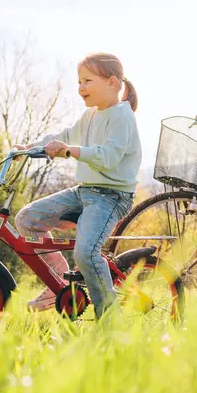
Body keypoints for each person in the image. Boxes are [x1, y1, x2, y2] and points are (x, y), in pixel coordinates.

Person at [14, 53, 143, 318]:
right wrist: (30, 148)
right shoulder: (90, 115)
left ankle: (110, 319)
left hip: (111, 197)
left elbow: (108, 157)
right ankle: (58, 282)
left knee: (85, 253)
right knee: (27, 220)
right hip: (84, 192)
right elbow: (62, 137)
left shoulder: (122, 116)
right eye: (79, 81)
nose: (81, 87)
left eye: (87, 80)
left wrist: (69, 151)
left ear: (111, 82)